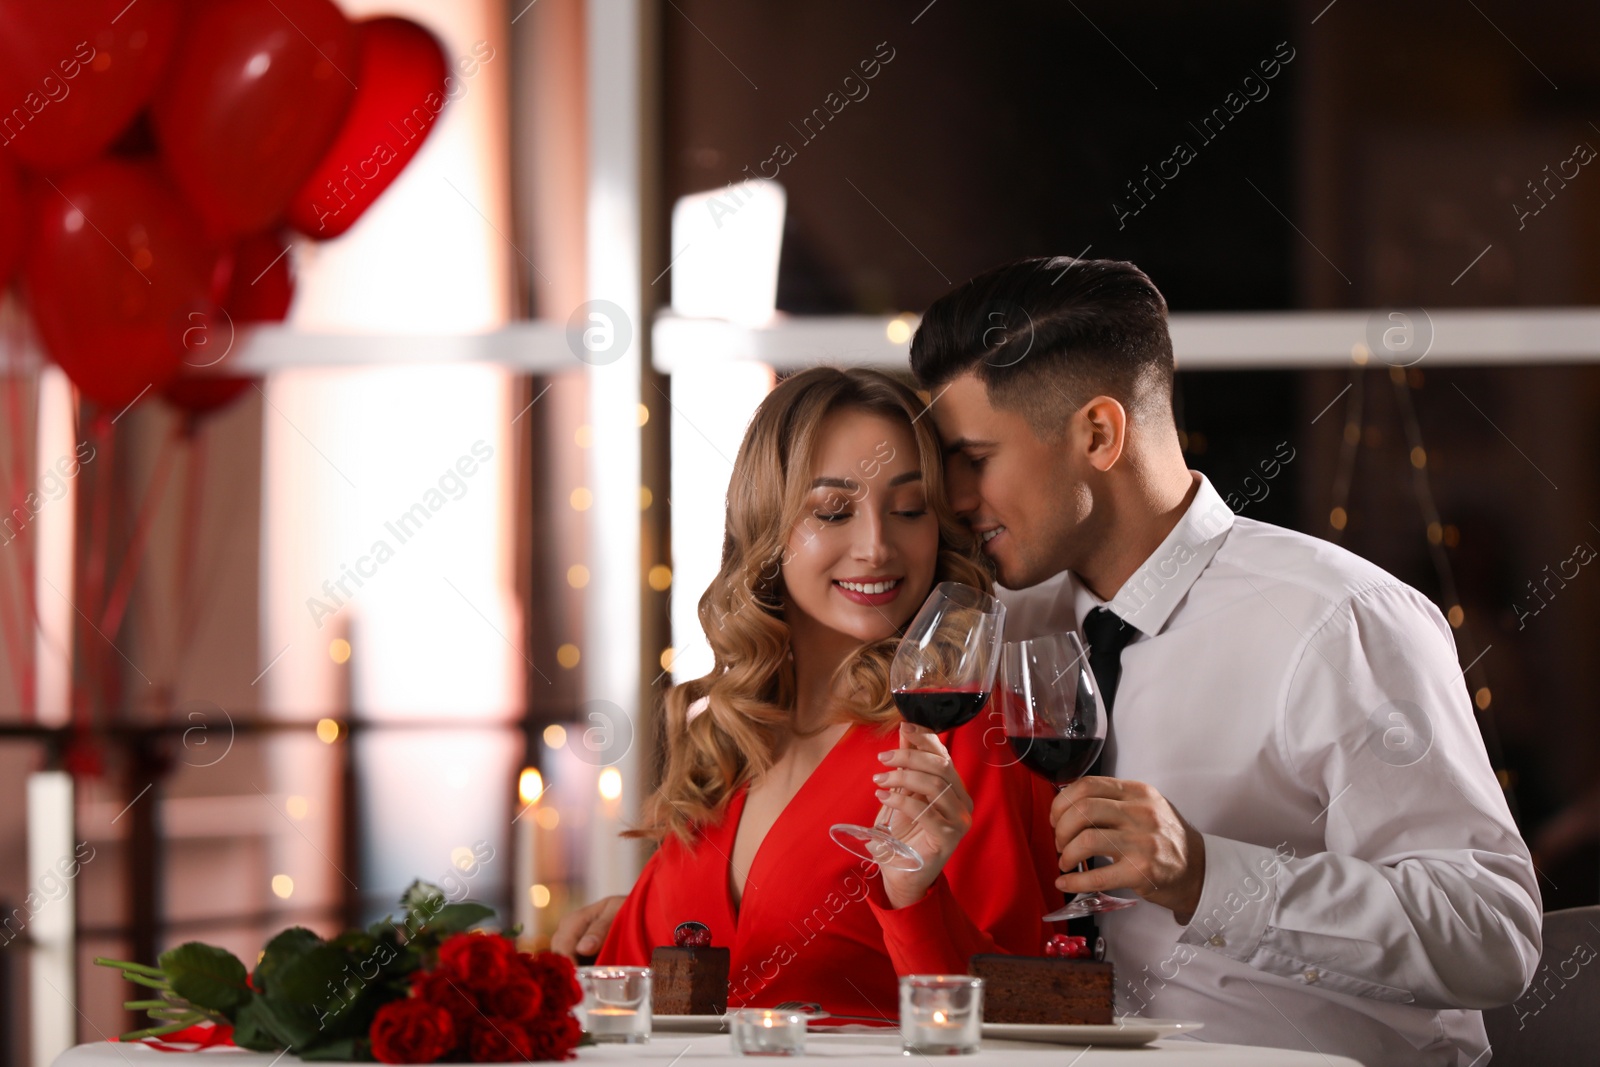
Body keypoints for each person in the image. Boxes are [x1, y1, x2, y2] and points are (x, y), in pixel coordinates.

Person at [905, 256, 1541, 1066]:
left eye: (975, 458)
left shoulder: (1338, 621)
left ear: (1098, 434)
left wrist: (1207, 874)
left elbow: (1494, 934)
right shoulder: (1011, 626)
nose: (955, 497)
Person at [586, 367, 1062, 1017]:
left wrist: (916, 899)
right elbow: (629, 989)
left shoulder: (970, 739)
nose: (875, 545)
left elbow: (1031, 1016)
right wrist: (586, 955)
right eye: (833, 511)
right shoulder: (729, 741)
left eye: (909, 509)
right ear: (766, 526)